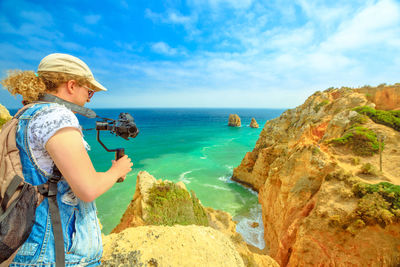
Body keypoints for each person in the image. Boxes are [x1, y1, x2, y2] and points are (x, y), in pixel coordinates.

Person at [0, 53, 133, 266]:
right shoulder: (57, 117)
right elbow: (87, 190)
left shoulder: (25, 114)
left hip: (28, 247)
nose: (90, 98)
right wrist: (117, 171)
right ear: (71, 85)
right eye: (89, 91)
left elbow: (49, 180)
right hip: (53, 254)